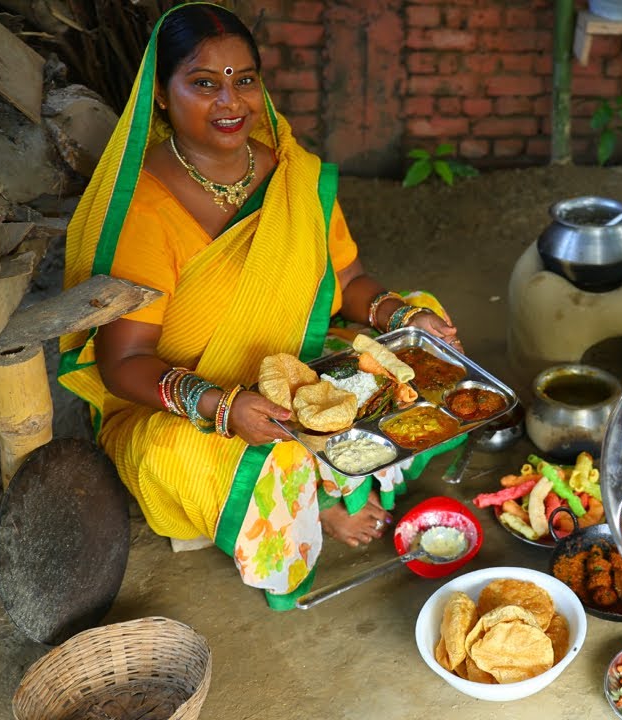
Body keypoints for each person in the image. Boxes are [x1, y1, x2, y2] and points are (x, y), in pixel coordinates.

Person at [59, 3, 462, 610]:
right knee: (239, 459)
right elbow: (127, 362)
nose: (231, 102)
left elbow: (348, 279)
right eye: (203, 83)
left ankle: (333, 480)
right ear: (162, 98)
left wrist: (406, 319)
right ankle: (324, 497)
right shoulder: (144, 208)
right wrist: (224, 408)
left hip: (294, 363)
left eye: (245, 79)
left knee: (420, 342)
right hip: (184, 403)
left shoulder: (293, 175)